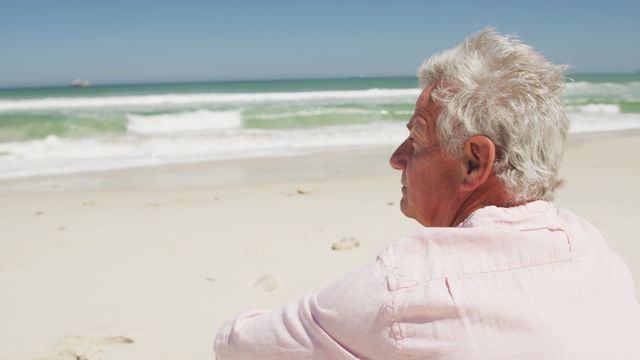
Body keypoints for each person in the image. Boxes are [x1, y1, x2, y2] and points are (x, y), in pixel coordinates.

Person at [214, 28, 640, 359]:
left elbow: (238, 348)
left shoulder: (407, 285)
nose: (397, 159)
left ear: (475, 161)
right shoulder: (598, 254)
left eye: (416, 137)